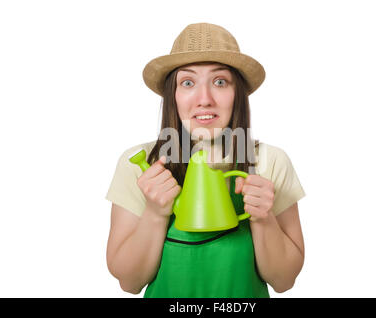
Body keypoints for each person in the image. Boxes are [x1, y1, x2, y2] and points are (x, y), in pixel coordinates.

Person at [105, 22, 306, 298]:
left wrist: (263, 218)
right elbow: (129, 282)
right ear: (172, 94)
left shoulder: (269, 161)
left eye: (220, 82)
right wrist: (154, 213)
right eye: (188, 82)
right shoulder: (139, 164)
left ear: (238, 94)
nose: (204, 99)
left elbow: (284, 281)